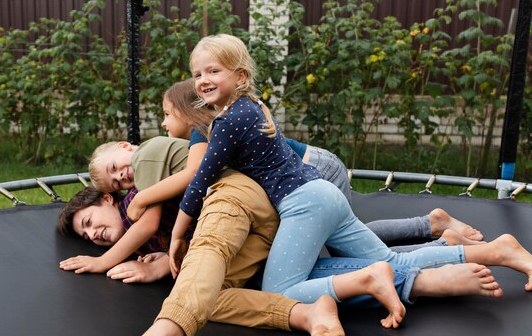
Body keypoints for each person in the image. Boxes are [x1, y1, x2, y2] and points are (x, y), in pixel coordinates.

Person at [165, 34, 532, 306]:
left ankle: (370, 280)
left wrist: (178, 237)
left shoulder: (228, 121)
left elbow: (200, 182)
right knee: (392, 259)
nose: (203, 80)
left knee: (278, 291)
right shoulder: (253, 104)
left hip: (304, 205)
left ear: (240, 76)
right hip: (324, 194)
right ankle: (497, 250)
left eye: (213, 70)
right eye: (197, 74)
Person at [66, 170, 507, 336]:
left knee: (212, 245)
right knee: (208, 296)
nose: (96, 236)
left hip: (247, 192)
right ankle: (315, 310)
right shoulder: (138, 237)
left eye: (90, 223)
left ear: (107, 197)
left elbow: (192, 186)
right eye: (88, 239)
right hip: (275, 226)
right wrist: (158, 261)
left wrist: (116, 260)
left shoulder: (138, 194)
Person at [121, 78, 482, 252]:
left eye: (168, 114)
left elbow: (192, 179)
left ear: (191, 110)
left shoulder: (205, 131)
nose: (165, 124)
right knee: (343, 238)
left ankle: (434, 233)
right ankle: (432, 228)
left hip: (314, 170)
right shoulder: (214, 125)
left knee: (341, 246)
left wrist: (141, 198)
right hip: (311, 169)